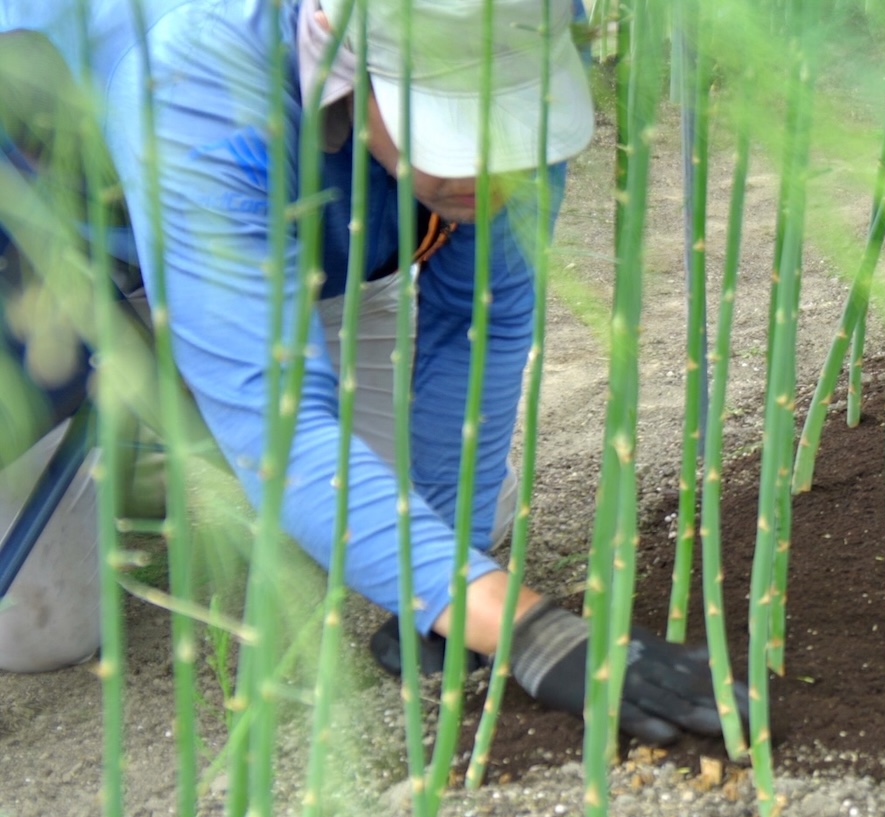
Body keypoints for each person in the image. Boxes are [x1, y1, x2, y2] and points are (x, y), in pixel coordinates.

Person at [0, 0, 739, 744]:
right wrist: (532, 633)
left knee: (433, 533)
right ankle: (136, 437)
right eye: (451, 136)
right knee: (40, 632)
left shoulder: (521, 26)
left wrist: (450, 588)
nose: (487, 175)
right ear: (341, 65)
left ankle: (186, 404)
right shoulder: (201, 72)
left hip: (303, 244)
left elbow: (479, 319)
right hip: (45, 257)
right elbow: (278, 423)